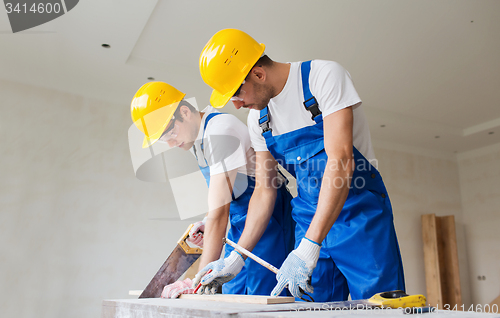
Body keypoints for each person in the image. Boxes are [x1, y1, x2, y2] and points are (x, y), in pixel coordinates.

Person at [196, 29, 405, 302]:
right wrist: (238, 256)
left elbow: (340, 161)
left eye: (236, 93)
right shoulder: (259, 120)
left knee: (380, 307)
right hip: (307, 219)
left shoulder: (323, 77)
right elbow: (264, 191)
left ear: (258, 74)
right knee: (308, 310)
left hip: (359, 219)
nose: (236, 105)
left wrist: (310, 245)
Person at [130, 82, 294, 298]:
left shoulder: (220, 131)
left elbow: (220, 212)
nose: (170, 143)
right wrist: (207, 222)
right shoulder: (196, 140)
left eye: (169, 132)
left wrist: (195, 282)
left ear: (185, 112)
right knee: (232, 294)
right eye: (163, 139)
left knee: (260, 297)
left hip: (268, 218)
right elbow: (221, 198)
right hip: (239, 222)